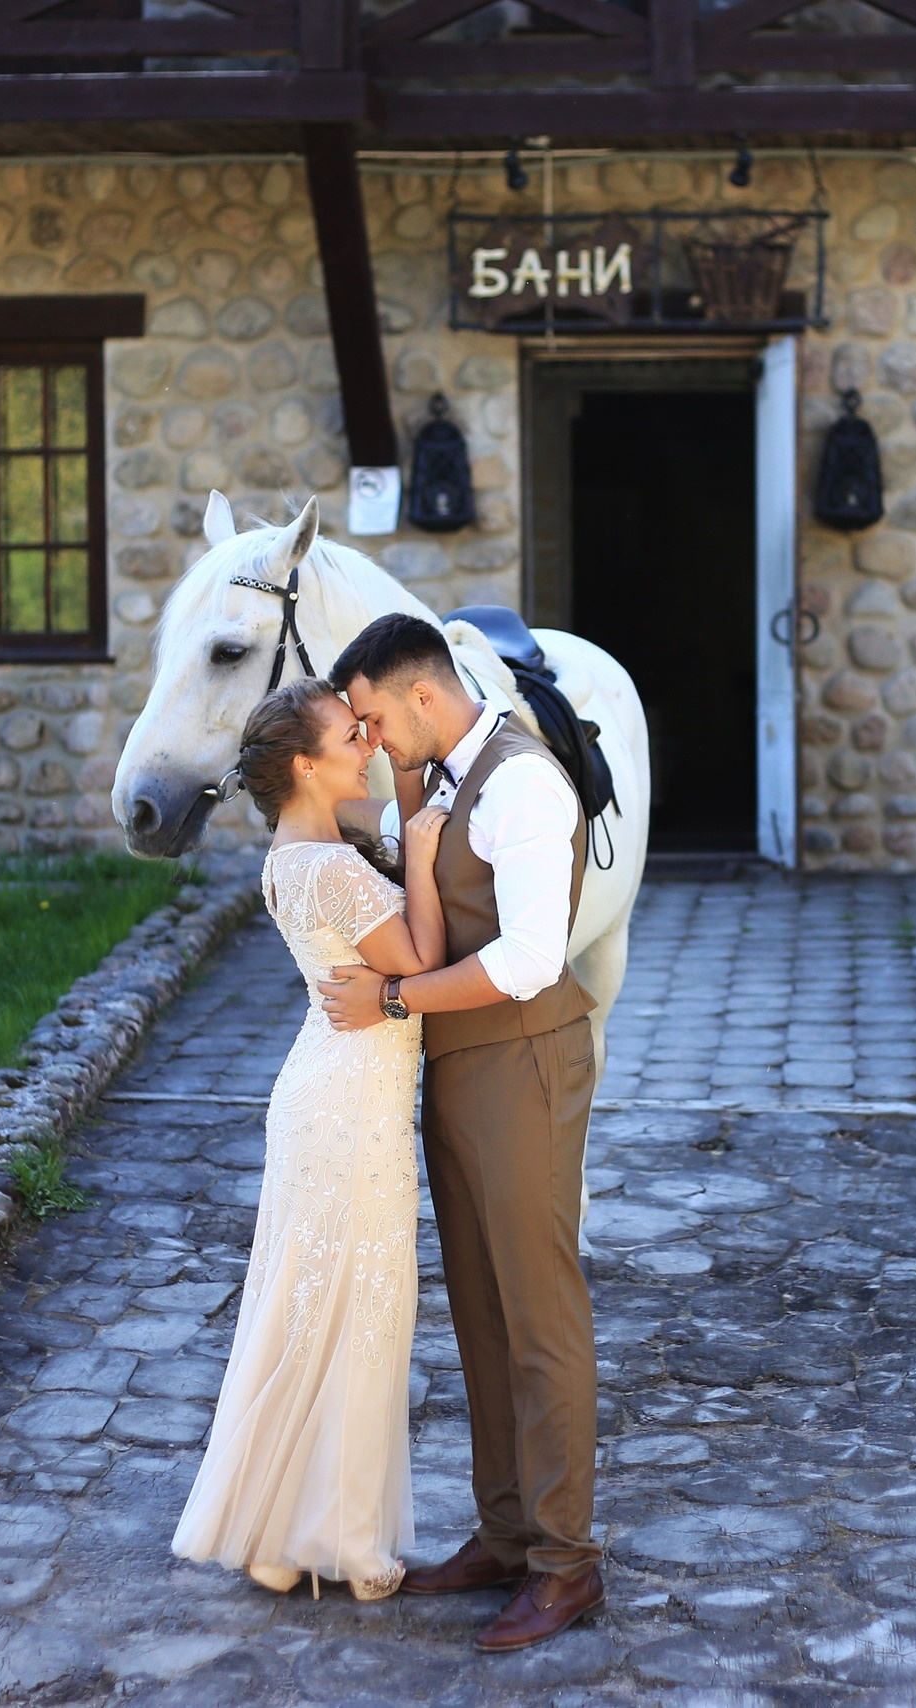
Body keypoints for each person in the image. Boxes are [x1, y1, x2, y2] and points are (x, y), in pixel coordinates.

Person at [317, 613, 606, 1654]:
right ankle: (506, 1532)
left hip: (524, 1061)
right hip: (461, 1066)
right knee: (480, 1313)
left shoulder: (522, 782)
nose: (371, 734)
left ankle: (568, 1565)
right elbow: (420, 887)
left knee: (538, 1314)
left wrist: (394, 998)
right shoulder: (439, 776)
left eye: (375, 716)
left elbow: (530, 956)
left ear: (423, 697)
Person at [169, 676, 449, 1603]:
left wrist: (398, 800)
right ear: (304, 765)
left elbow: (359, 802)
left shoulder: (297, 851)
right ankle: (351, 1545)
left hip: (325, 1091)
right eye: (346, 737)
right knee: (362, 1314)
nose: (364, 744)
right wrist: (423, 854)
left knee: (313, 1310)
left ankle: (280, 1538)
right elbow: (420, 962)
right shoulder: (328, 866)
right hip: (350, 1106)